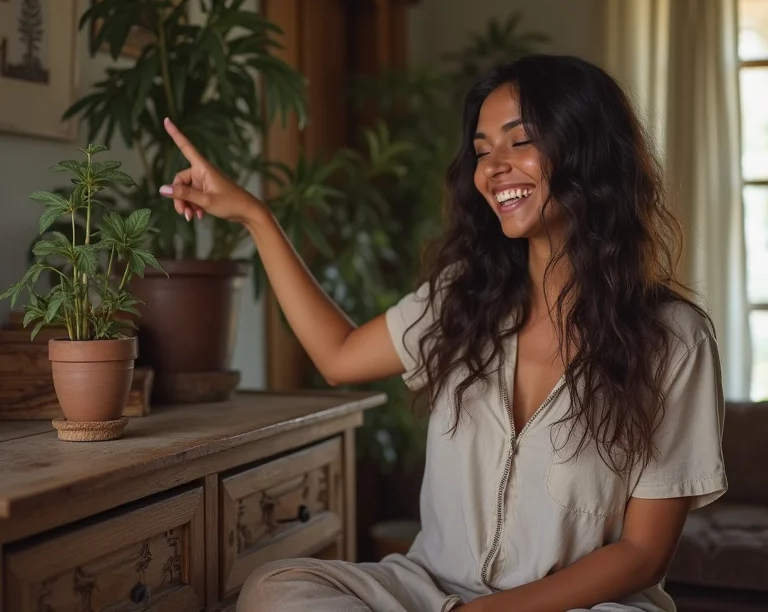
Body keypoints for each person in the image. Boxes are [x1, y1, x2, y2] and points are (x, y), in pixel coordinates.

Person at [159, 54, 727, 612]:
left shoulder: (673, 340)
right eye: (482, 151)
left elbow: (643, 553)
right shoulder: (462, 297)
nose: (492, 168)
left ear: (588, 149)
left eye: (519, 141)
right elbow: (337, 356)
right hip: (431, 593)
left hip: (572, 607)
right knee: (275, 590)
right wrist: (256, 217)